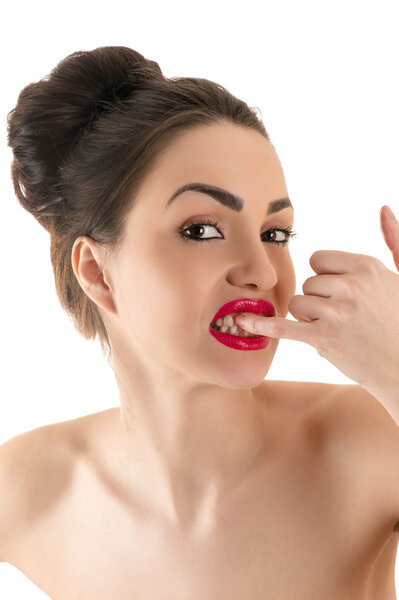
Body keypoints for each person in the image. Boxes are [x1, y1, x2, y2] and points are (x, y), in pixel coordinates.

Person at [1, 45, 399, 599]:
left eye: (274, 233)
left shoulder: (375, 439)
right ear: (97, 270)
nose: (262, 271)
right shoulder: (22, 491)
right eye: (202, 230)